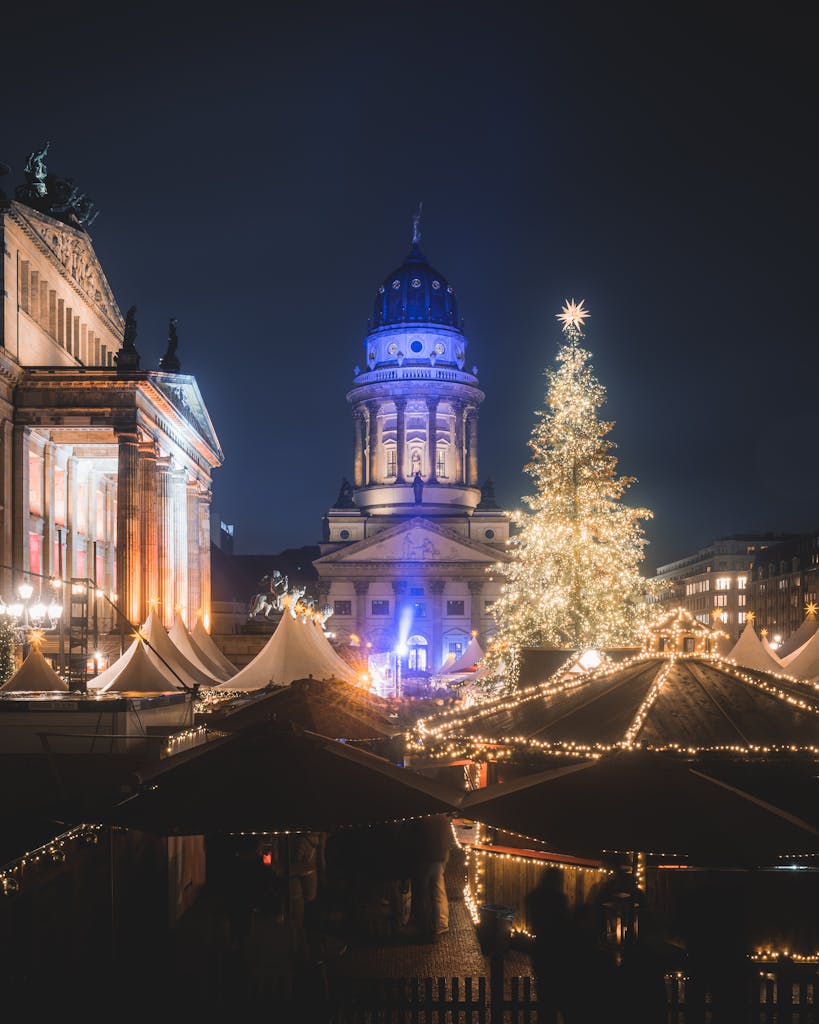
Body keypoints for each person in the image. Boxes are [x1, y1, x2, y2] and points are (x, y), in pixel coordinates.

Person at [404, 813, 452, 938]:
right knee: (438, 890)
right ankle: (441, 923)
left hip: (425, 858)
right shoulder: (443, 818)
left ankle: (425, 928)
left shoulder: (421, 818)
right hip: (440, 856)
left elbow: (412, 839)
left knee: (422, 893)